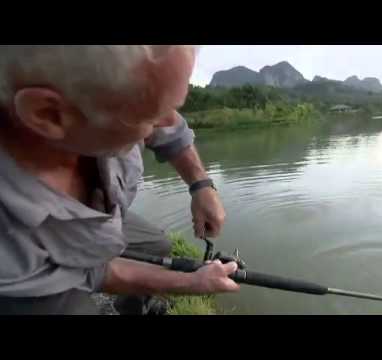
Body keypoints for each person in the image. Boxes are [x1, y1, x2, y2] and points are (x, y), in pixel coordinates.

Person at [0, 45, 240, 315]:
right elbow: (95, 273)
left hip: (102, 222)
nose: (170, 122)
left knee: (156, 245)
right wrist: (189, 282)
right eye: (150, 115)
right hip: (22, 279)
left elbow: (169, 128)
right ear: (49, 114)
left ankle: (132, 308)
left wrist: (200, 184)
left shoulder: (105, 100)